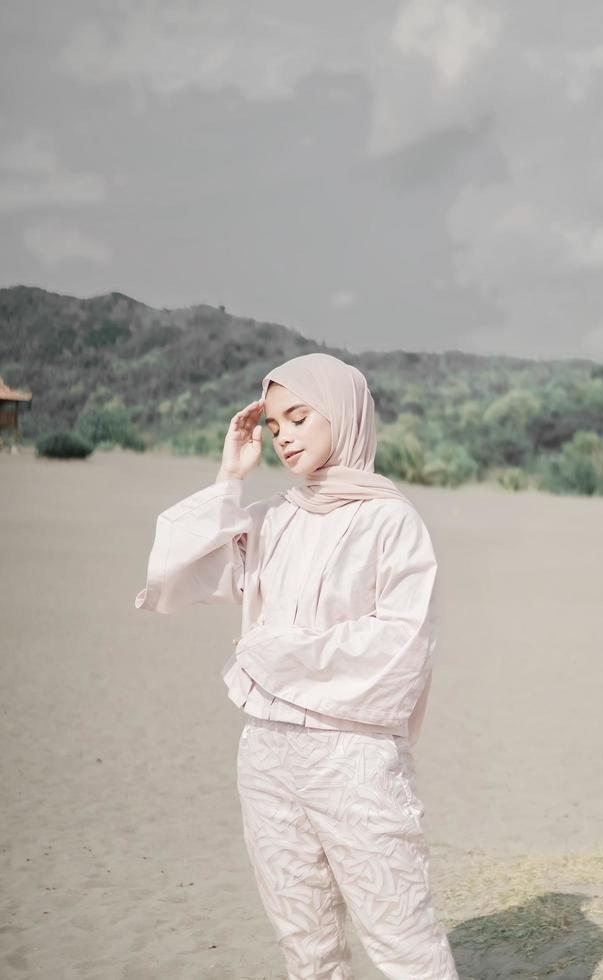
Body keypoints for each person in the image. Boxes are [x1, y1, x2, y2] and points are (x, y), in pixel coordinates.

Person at [134, 352, 460, 980]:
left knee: (403, 942)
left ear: (342, 414)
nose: (283, 434)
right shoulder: (270, 520)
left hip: (354, 759)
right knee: (306, 948)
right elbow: (174, 580)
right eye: (274, 422)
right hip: (265, 756)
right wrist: (230, 479)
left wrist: (272, 652)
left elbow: (401, 647)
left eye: (300, 416)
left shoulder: (391, 521)